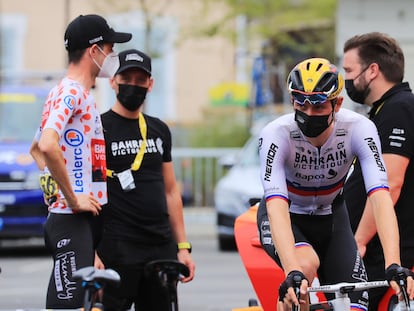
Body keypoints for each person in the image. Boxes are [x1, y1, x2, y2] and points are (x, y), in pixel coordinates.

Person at [256, 57, 414, 311]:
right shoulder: (276, 134)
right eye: (301, 103)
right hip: (288, 216)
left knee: (354, 306)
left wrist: (393, 263)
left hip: (333, 217)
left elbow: (380, 196)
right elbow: (276, 206)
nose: (308, 114)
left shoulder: (359, 128)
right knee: (303, 269)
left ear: (337, 103)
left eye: (318, 106)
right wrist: (292, 270)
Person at [29, 14, 131, 309]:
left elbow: (36, 149)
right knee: (68, 306)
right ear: (94, 51)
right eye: (110, 50)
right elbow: (46, 145)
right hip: (72, 218)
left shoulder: (71, 92)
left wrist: (56, 192)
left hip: (82, 221)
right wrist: (69, 198)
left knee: (79, 303)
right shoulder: (71, 92)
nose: (113, 57)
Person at [96, 48, 195, 311]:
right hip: (117, 247)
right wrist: (92, 252)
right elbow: (89, 193)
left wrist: (183, 247)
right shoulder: (98, 129)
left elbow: (171, 191)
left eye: (140, 80)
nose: (133, 85)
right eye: (126, 78)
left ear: (150, 84)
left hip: (160, 248)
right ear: (112, 81)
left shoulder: (159, 130)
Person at [342, 32, 414, 310]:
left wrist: (357, 242)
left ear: (372, 70)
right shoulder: (384, 111)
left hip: (382, 253)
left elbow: (390, 183)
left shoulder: (399, 109)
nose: (346, 80)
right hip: (373, 250)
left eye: (349, 70)